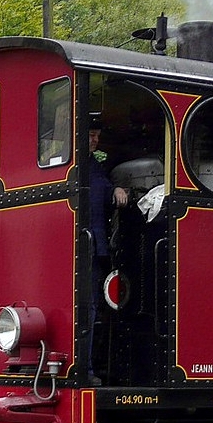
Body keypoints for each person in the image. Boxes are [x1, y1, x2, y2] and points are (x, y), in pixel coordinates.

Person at [87, 114, 129, 385]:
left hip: (94, 244)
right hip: (84, 244)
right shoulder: (79, 165)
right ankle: (85, 368)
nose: (95, 140)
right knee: (87, 308)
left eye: (97, 136)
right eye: (91, 135)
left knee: (94, 308)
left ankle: (89, 365)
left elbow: (101, 188)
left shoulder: (92, 165)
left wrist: (115, 189)